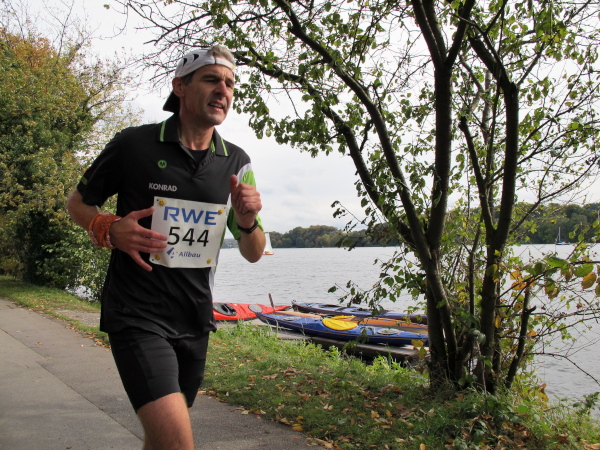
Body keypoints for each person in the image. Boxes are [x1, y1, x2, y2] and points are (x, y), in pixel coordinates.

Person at [67, 45, 266, 449]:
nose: (223, 90)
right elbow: (78, 203)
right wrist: (108, 228)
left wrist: (247, 220)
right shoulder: (134, 144)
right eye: (211, 79)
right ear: (180, 87)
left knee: (162, 440)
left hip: (194, 319)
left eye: (230, 84)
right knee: (177, 442)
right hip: (137, 315)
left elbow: (253, 251)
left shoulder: (236, 161)